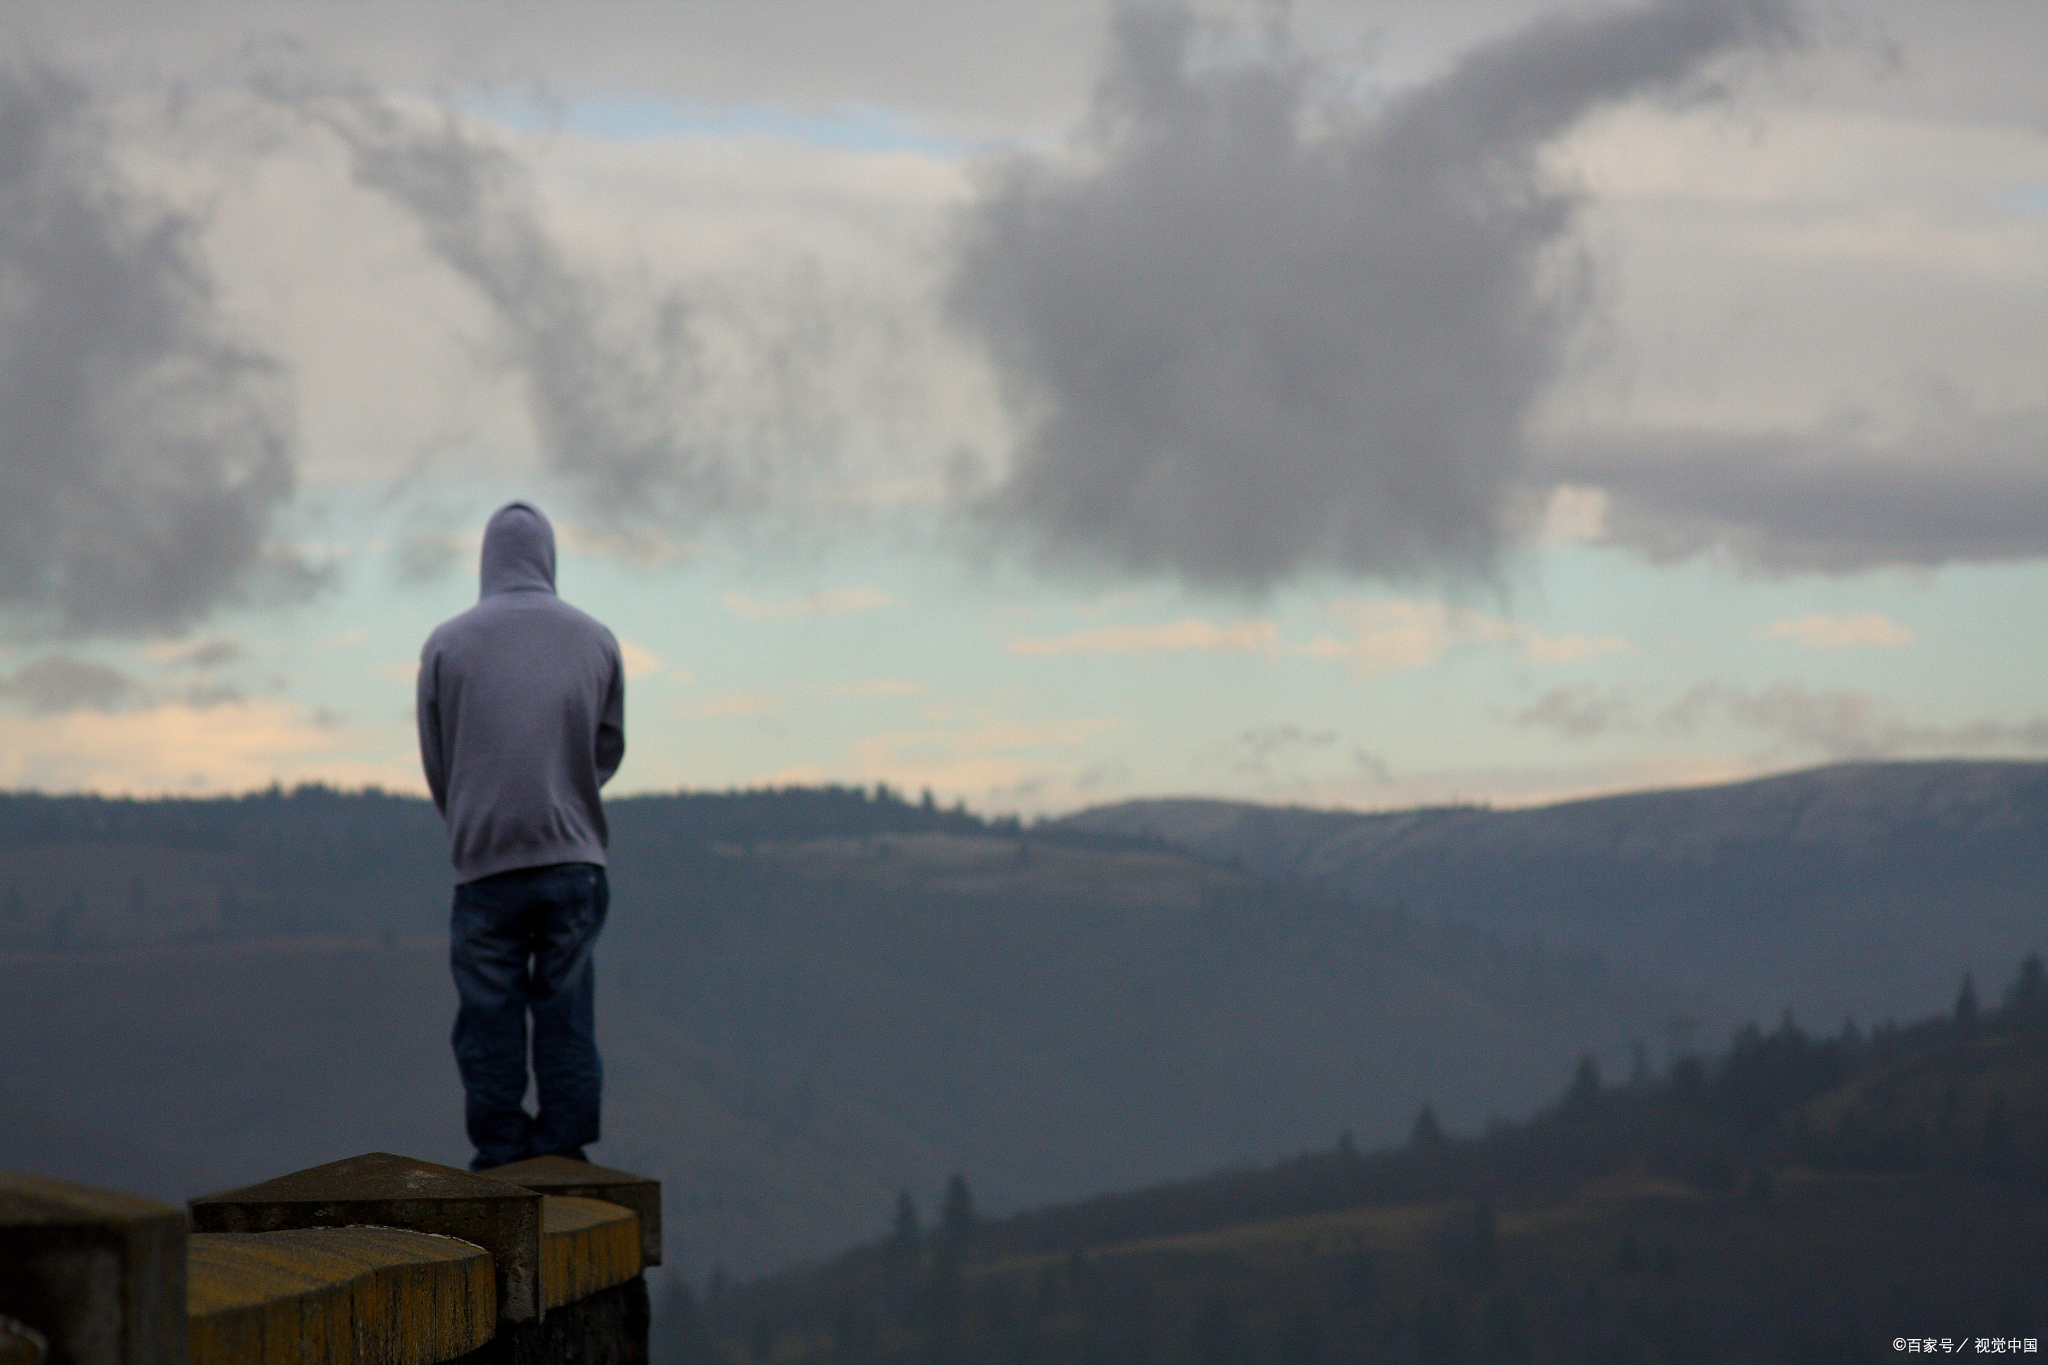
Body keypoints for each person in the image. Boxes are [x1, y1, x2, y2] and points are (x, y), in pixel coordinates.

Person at [416, 500, 626, 1171]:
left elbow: (436, 756)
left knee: (489, 1013)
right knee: (565, 1004)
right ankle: (564, 1148)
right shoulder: (596, 639)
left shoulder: (446, 644)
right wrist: (564, 791)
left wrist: (474, 815)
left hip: (484, 861)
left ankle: (501, 1151)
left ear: (487, 559)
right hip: (573, 857)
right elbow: (609, 746)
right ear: (548, 557)